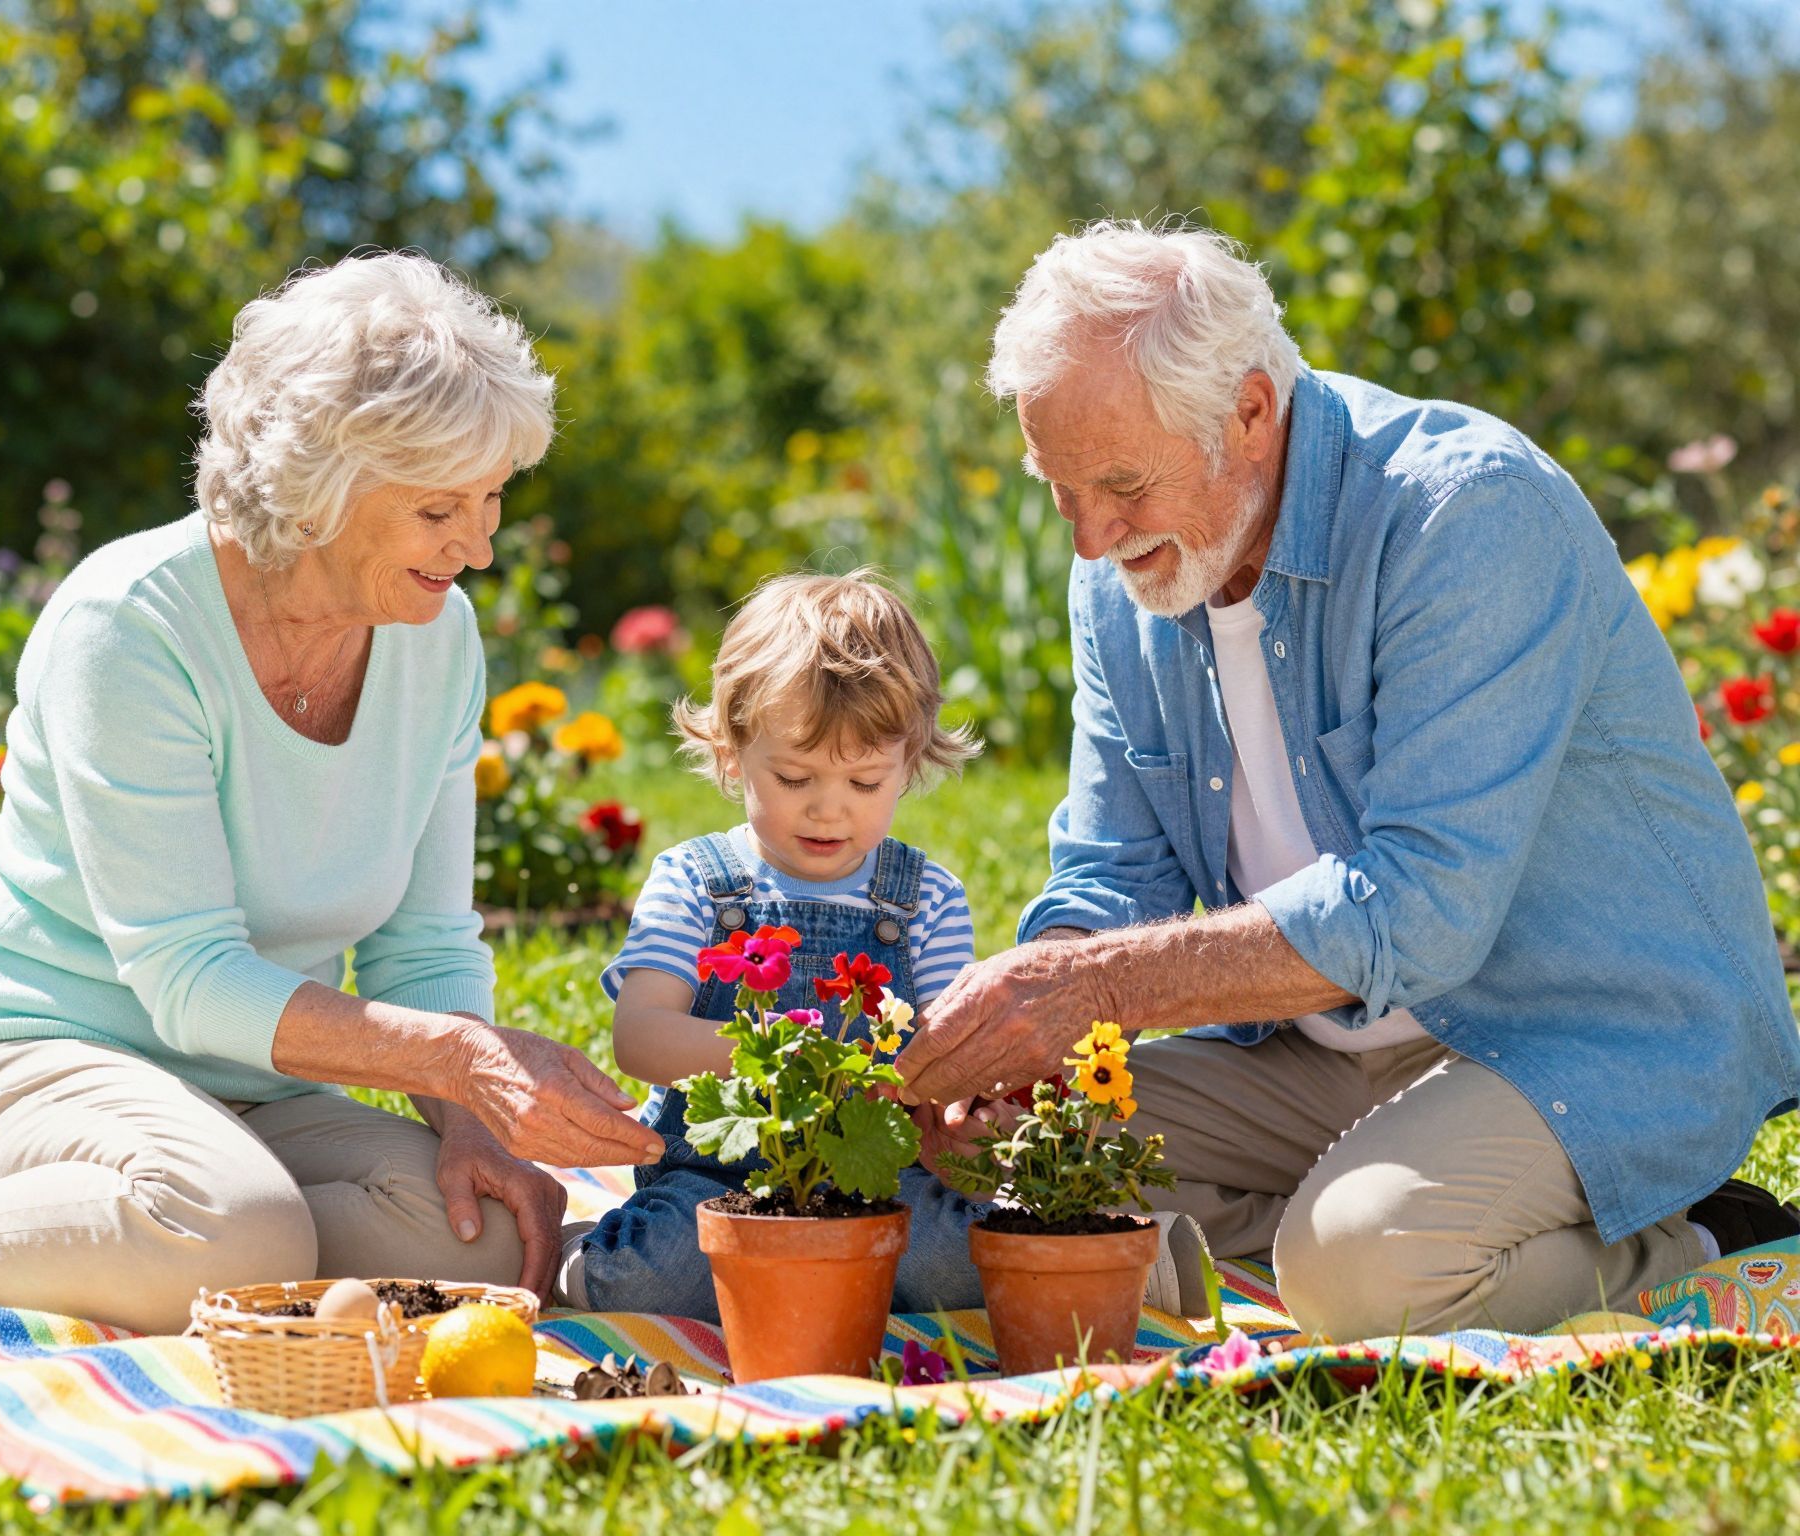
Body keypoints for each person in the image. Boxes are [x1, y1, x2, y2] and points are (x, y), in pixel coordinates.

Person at [896, 219, 1800, 1340]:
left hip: (1574, 1032)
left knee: (1360, 1274)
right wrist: (1026, 1047)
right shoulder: (1123, 582)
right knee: (1012, 1155)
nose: (1089, 539)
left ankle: (1697, 1239)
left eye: (1120, 483)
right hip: (1320, 1053)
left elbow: (1420, 912)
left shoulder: (1464, 511)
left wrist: (1091, 989)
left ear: (1249, 412)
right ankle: (1378, 1219)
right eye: (1060, 488)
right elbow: (1111, 870)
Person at [0, 252, 662, 1333]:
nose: (479, 546)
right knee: (234, 1231)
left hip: (255, 1091)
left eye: (492, 498)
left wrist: (469, 1122)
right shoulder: (127, 623)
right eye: (438, 510)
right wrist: (465, 1060)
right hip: (32, 1053)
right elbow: (187, 976)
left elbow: (424, 946)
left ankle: (136, 1227)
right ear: (320, 488)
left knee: (487, 1236)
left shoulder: (437, 639)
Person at [561, 572, 987, 1320]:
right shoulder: (697, 880)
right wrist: (783, 1055)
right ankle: (571, 1257)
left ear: (911, 761)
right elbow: (640, 1036)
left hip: (875, 1175)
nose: (828, 809)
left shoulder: (926, 898)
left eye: (865, 782)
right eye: (794, 777)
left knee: (959, 1268)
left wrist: (961, 1111)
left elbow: (951, 1054)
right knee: (646, 1282)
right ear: (732, 753)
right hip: (719, 1178)